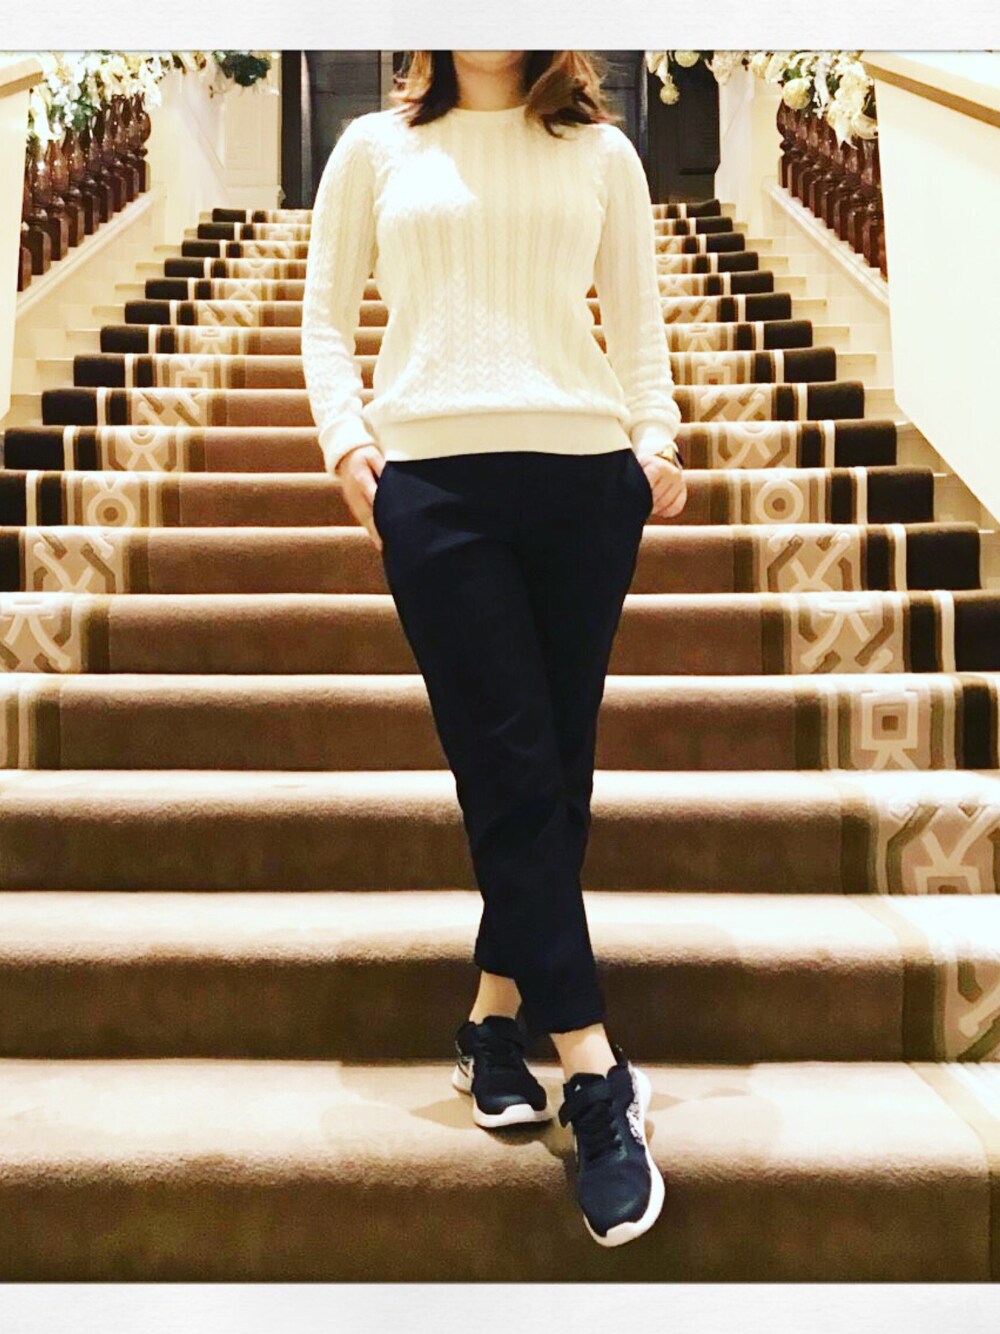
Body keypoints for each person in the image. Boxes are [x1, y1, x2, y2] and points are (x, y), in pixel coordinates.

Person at [302, 49, 687, 1249]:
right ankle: (594, 1071)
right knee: (509, 761)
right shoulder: (374, 149)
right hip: (434, 487)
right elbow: (323, 321)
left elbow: (638, 325)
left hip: (584, 483)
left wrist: (656, 440)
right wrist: (347, 443)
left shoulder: (602, 152)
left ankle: (489, 1021)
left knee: (552, 772)